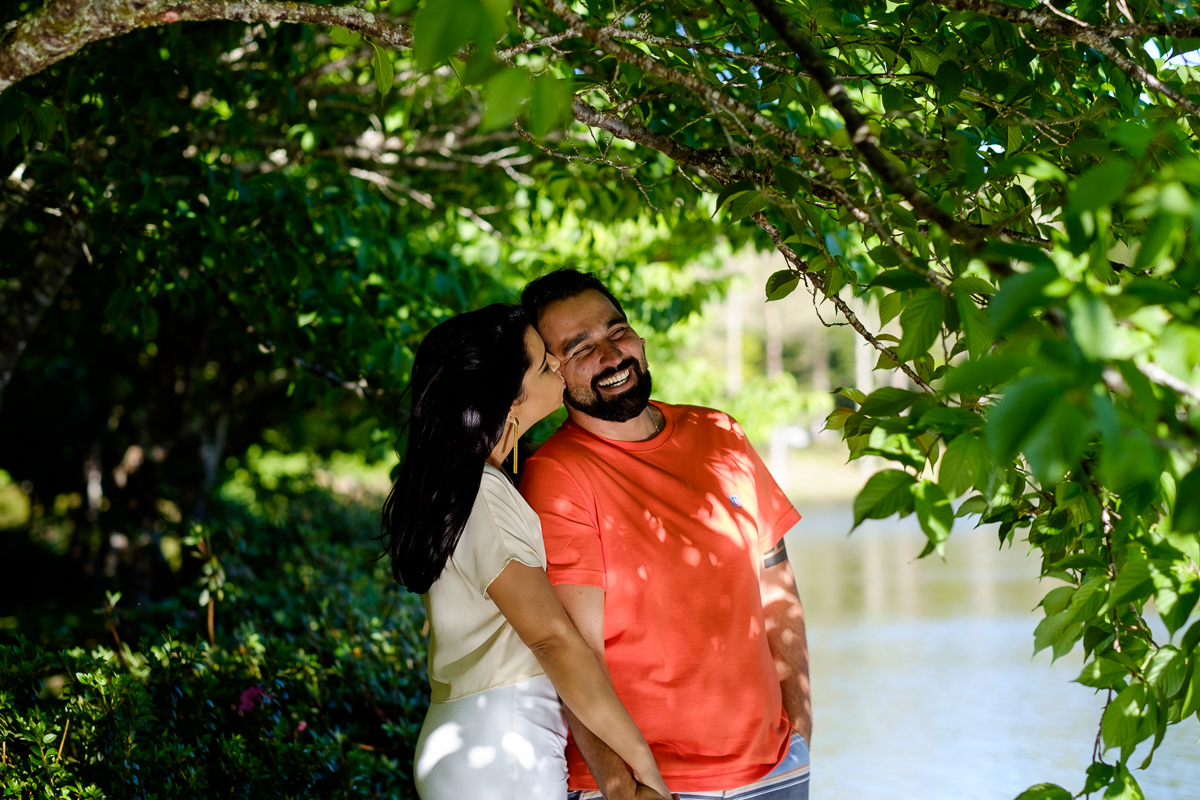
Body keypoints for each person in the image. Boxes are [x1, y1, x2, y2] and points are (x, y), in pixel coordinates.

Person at [518, 271, 812, 800]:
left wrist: (801, 728)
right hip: (654, 784)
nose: (611, 356)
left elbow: (777, 586)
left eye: (617, 331)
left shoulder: (721, 435)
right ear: (551, 372)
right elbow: (574, 655)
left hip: (776, 770)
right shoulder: (558, 475)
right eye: (580, 348)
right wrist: (619, 785)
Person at [380, 304, 674, 800]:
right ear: (506, 398)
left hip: (471, 739)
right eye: (542, 364)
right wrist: (644, 769)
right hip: (502, 745)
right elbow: (551, 640)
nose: (558, 367)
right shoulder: (485, 494)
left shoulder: (461, 488)